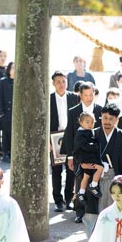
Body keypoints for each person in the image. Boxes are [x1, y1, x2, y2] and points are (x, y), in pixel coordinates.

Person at [81, 104, 122, 233]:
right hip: (95, 179)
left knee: (115, 210)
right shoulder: (92, 134)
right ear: (100, 118)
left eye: (111, 119)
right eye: (105, 118)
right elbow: (82, 157)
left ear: (117, 120)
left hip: (115, 177)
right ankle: (95, 239)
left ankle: (114, 237)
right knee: (95, 213)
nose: (107, 121)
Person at [62, 81, 102, 221]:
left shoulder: (100, 110)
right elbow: (70, 134)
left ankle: (95, 211)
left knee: (95, 182)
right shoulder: (73, 111)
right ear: (81, 95)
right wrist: (70, 156)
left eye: (91, 95)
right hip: (80, 153)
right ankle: (79, 212)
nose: (89, 98)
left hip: (96, 153)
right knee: (80, 182)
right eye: (86, 95)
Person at [50, 71, 79, 212]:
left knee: (71, 170)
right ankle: (58, 201)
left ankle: (69, 199)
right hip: (54, 138)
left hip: (70, 138)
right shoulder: (49, 99)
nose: (61, 84)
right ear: (53, 83)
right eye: (58, 82)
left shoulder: (74, 97)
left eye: (63, 81)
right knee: (56, 171)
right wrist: (47, 142)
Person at [73, 111, 105, 202]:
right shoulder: (80, 134)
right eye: (87, 122)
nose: (90, 124)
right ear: (81, 123)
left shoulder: (89, 132)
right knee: (100, 168)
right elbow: (85, 146)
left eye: (92, 122)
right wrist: (94, 146)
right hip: (85, 159)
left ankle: (81, 192)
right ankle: (93, 185)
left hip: (88, 158)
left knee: (86, 176)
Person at [0, 61, 15, 162]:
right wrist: (0, 112)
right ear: (9, 69)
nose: (14, 70)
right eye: (12, 68)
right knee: (6, 134)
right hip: (6, 112)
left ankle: (13, 152)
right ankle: (5, 153)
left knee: (14, 133)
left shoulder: (19, 81)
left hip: (16, 112)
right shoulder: (3, 81)